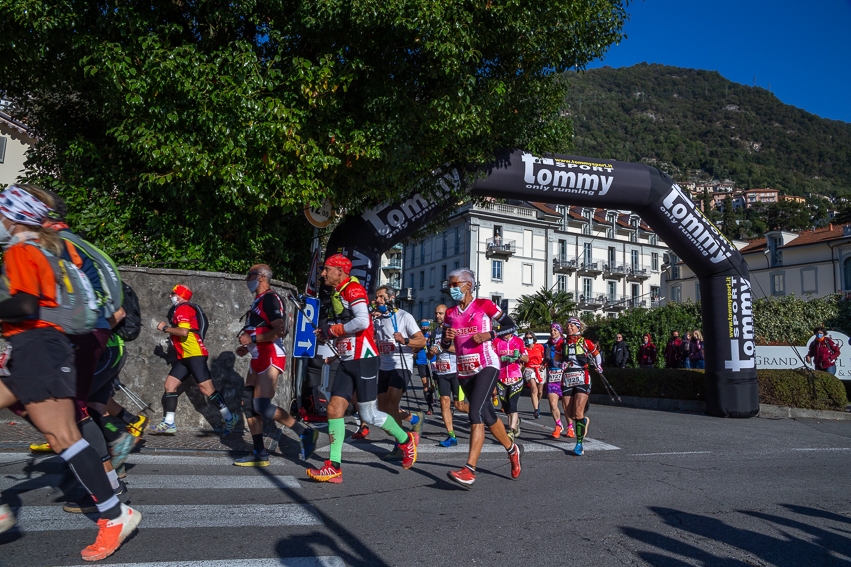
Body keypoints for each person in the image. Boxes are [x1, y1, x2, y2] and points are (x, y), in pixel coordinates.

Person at [0, 185, 141, 560]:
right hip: (41, 348)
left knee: (65, 436)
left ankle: (115, 514)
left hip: (37, 350)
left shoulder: (21, 250)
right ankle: (115, 512)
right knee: (64, 435)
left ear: (14, 218)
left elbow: (25, 305)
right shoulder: (44, 248)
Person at [308, 254, 417, 483]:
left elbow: (362, 322)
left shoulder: (353, 289)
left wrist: (333, 330)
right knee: (334, 409)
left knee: (369, 415)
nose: (323, 273)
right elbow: (346, 327)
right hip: (347, 359)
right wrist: (328, 334)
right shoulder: (338, 293)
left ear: (340, 271)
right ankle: (334, 466)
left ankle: (406, 440)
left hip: (364, 359)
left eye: (327, 269)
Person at [441, 268, 521, 488]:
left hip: (487, 364)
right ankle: (512, 449)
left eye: (455, 285)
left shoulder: (484, 305)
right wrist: (446, 338)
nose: (451, 289)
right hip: (464, 369)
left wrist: (490, 334)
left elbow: (512, 325)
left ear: (468, 285)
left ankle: (469, 470)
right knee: (487, 415)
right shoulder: (450, 313)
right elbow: (444, 345)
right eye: (450, 285)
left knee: (475, 412)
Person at [234, 264, 318, 466]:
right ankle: (259, 452)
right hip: (258, 356)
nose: (247, 279)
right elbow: (260, 329)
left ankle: (304, 432)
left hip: (271, 355)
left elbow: (279, 330)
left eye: (250, 275)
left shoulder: (271, 298)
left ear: (262, 277)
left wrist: (253, 339)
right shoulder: (258, 300)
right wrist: (248, 347)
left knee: (261, 405)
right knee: (248, 403)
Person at [150, 284, 238, 435]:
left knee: (206, 389)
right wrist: (164, 354)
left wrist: (165, 328)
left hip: (194, 354)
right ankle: (169, 423)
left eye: (173, 293)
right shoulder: (184, 308)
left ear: (181, 295)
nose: (170, 296)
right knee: (170, 385)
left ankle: (230, 418)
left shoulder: (183, 308)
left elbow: (183, 332)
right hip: (184, 355)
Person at [372, 285, 426, 460]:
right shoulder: (378, 319)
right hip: (384, 366)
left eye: (381, 297)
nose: (378, 300)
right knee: (381, 409)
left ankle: (400, 445)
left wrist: (405, 340)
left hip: (401, 366)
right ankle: (414, 419)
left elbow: (422, 341)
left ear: (391, 298)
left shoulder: (404, 316)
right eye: (377, 297)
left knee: (391, 406)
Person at [555, 317, 601, 456]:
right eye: (567, 325)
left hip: (582, 377)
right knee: (569, 414)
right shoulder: (562, 343)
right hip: (567, 378)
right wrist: (561, 364)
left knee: (578, 412)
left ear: (578, 327)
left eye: (572, 325)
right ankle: (583, 421)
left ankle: (579, 444)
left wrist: (598, 366)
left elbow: (596, 354)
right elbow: (556, 361)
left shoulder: (586, 342)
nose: (569, 327)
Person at [428, 304, 469, 447]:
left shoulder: (454, 330)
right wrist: (431, 352)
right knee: (444, 402)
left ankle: (481, 413)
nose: (437, 316)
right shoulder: (434, 333)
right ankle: (451, 436)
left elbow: (461, 349)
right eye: (436, 313)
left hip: (456, 372)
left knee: (459, 406)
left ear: (447, 314)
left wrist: (443, 347)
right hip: (441, 372)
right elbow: (429, 355)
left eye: (440, 313)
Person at [494, 329, 528, 440]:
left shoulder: (518, 341)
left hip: (515, 377)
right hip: (501, 378)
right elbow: (491, 357)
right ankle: (515, 422)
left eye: (508, 330)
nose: (505, 333)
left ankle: (511, 430)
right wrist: (501, 358)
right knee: (506, 407)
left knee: (513, 405)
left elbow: (527, 358)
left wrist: (518, 356)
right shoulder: (497, 341)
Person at [545, 323, 574, 438]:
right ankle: (558, 425)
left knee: (566, 405)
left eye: (555, 330)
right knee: (552, 404)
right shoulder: (548, 345)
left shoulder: (565, 343)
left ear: (560, 331)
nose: (552, 332)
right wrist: (543, 364)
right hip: (553, 375)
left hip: (565, 376)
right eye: (551, 330)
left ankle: (570, 427)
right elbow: (547, 359)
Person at [415, 318, 436, 414]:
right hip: (421, 361)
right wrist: (420, 343)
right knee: (425, 382)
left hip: (432, 360)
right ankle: (430, 406)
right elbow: (413, 349)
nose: (424, 328)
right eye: (422, 326)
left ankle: (431, 395)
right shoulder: (417, 336)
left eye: (426, 326)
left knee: (434, 384)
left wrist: (429, 341)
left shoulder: (431, 335)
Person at [522, 332, 545, 419]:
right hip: (529, 368)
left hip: (539, 368)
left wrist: (544, 365)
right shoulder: (524, 349)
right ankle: (536, 410)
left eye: (530, 337)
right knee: (534, 389)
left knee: (540, 391)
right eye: (527, 338)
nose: (528, 339)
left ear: (533, 338)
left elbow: (544, 357)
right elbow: (522, 361)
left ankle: (537, 403)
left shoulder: (539, 346)